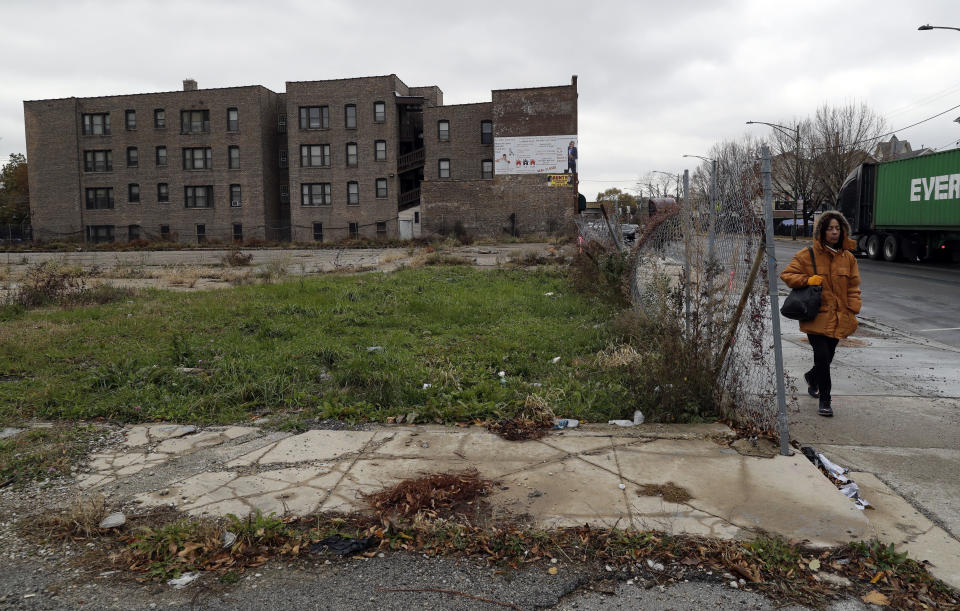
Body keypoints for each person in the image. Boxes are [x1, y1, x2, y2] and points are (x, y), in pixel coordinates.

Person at [780, 211, 862, 417]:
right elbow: (788, 275)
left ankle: (811, 376)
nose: (834, 232)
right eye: (829, 229)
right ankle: (825, 400)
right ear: (821, 232)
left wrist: (853, 308)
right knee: (823, 357)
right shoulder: (806, 255)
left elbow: (853, 286)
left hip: (839, 316)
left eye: (837, 229)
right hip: (815, 315)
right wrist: (808, 280)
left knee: (828, 356)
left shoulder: (849, 258)